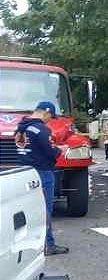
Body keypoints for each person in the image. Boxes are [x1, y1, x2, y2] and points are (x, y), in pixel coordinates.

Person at [14, 101, 69, 255]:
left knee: (28, 210)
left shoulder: (21, 128)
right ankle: (48, 245)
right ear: (46, 113)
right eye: (50, 117)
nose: (49, 120)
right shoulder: (41, 129)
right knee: (45, 210)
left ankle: (30, 244)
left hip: (25, 171)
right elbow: (51, 152)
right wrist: (61, 150)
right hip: (42, 173)